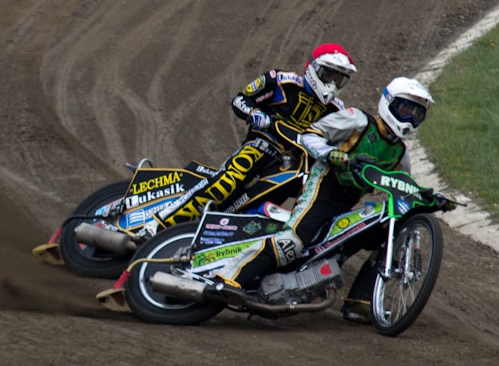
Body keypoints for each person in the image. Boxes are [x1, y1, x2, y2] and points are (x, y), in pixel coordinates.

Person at [210, 76, 456, 320]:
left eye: (416, 115)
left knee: (388, 237)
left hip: (346, 203)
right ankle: (228, 279)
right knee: (292, 242)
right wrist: (334, 154)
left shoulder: (400, 155)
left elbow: (404, 188)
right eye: (405, 110)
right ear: (388, 103)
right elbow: (310, 135)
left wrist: (432, 199)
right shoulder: (357, 120)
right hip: (323, 186)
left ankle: (360, 302)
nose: (409, 119)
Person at [156, 43, 358, 227]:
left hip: (296, 166)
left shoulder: (338, 112)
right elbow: (241, 99)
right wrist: (255, 113)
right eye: (329, 75)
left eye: (339, 79)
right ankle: (158, 224)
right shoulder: (281, 81)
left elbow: (341, 144)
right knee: (226, 183)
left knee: (306, 204)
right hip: (261, 146)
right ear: (314, 69)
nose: (333, 83)